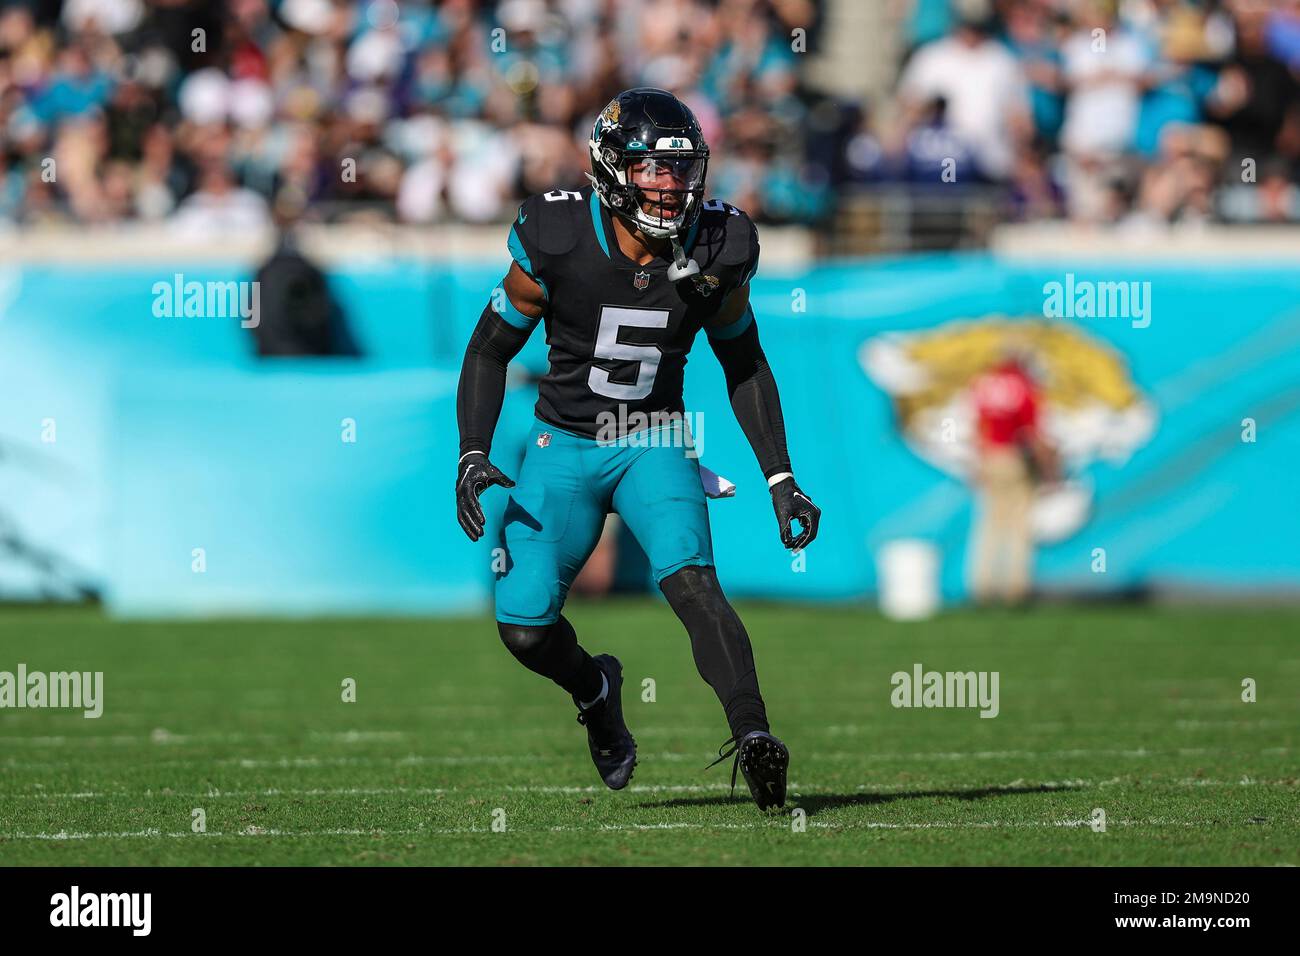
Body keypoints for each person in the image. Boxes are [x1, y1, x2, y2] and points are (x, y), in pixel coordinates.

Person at [453, 88, 820, 811]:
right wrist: (470, 451)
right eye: (654, 168)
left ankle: (753, 737)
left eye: (682, 172)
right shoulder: (556, 232)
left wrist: (781, 477)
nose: (670, 186)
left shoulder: (721, 242)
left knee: (693, 581)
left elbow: (744, 360)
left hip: (652, 437)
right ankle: (596, 691)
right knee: (524, 628)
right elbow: (491, 348)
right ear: (612, 168)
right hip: (564, 440)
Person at [969, 353, 1057, 605]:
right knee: (1018, 525)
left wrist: (978, 462)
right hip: (1015, 457)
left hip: (989, 456)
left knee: (989, 524)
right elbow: (1031, 432)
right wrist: (1049, 469)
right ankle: (1015, 589)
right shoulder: (1023, 386)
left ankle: (982, 586)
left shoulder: (984, 383)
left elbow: (977, 426)